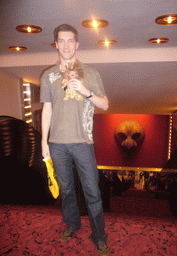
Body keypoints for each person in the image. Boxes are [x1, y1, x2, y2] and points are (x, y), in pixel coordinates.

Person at [40, 24, 109, 256]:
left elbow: (105, 104)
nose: (67, 45)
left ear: (77, 44)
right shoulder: (48, 75)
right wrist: (43, 143)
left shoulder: (91, 73)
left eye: (71, 40)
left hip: (83, 143)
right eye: (62, 40)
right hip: (57, 144)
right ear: (56, 44)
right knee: (67, 190)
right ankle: (72, 225)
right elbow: (47, 110)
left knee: (92, 191)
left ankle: (99, 236)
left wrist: (85, 90)